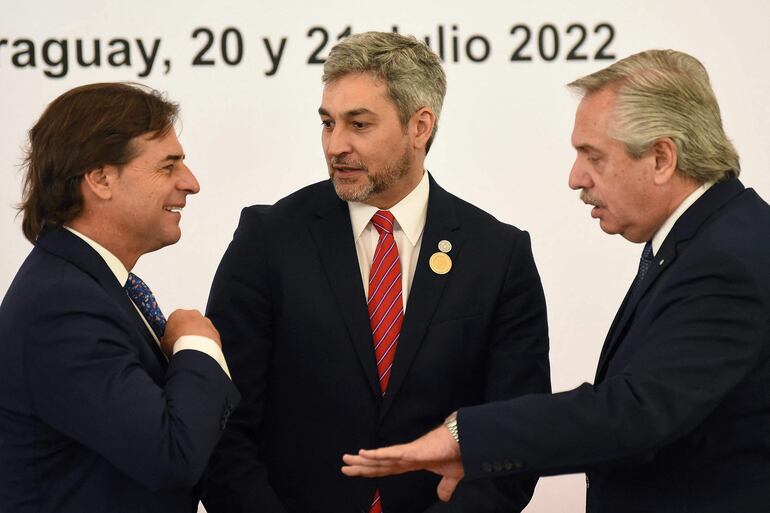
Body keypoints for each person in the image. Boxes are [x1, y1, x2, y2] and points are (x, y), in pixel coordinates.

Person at [341, 49, 770, 513]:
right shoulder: (705, 238)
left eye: (593, 156)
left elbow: (636, 411)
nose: (575, 178)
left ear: (662, 158)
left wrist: (467, 436)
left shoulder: (728, 257)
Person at [202, 31, 550, 513]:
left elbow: (515, 433)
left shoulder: (498, 253)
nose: (335, 145)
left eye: (359, 124)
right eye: (327, 123)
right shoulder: (269, 238)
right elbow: (223, 423)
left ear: (419, 126)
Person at [0, 83, 240, 513]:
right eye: (169, 167)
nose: (192, 183)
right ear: (101, 179)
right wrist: (198, 345)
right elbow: (171, 454)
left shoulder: (82, 286)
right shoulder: (62, 305)